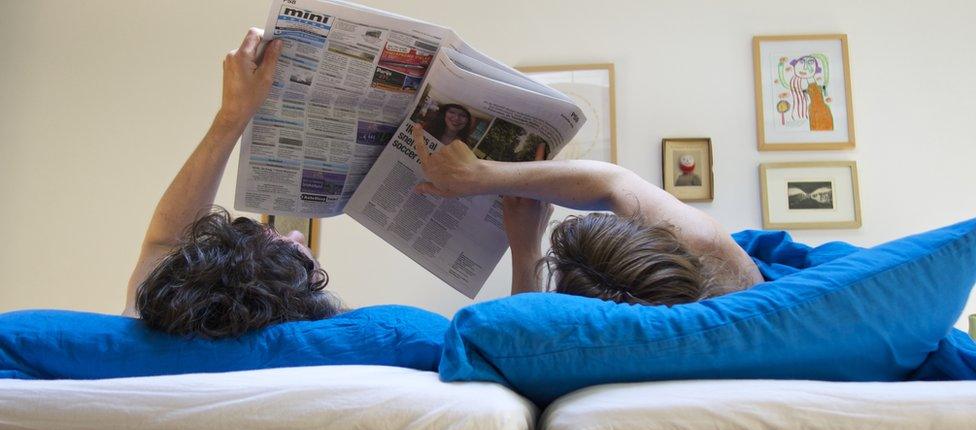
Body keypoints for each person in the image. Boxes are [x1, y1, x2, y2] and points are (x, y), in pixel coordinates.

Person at [123, 29, 341, 339]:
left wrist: (232, 115)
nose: (296, 232)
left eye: (284, 243)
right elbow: (166, 245)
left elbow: (164, 243)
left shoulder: (149, 330)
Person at [410, 124, 765, 303]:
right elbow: (611, 182)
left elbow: (527, 334)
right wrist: (478, 178)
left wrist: (524, 247)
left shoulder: (596, 344)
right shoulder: (741, 279)